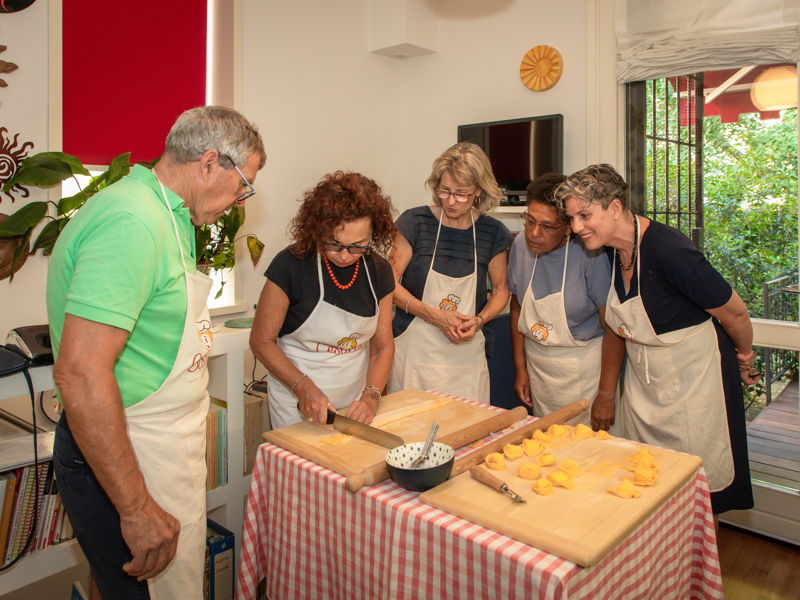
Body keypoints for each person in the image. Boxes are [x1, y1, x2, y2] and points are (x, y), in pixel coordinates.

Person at [47, 106, 266, 599]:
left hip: (161, 447)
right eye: (243, 185)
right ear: (210, 163)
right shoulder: (132, 220)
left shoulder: (168, 213)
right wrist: (136, 508)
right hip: (130, 454)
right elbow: (81, 373)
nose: (240, 200)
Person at [557, 163, 758, 514]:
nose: (576, 227)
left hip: (694, 387)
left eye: (585, 215)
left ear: (615, 207)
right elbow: (619, 329)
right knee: (645, 483)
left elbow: (736, 313)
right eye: (572, 218)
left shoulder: (671, 252)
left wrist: (745, 357)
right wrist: (606, 394)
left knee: (696, 491)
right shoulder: (609, 250)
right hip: (645, 389)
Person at [250, 171, 396, 428]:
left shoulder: (379, 271)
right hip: (296, 399)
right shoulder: (290, 266)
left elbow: (383, 346)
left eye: (358, 246)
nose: (344, 255)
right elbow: (261, 341)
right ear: (317, 230)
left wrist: (371, 396)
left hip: (355, 401)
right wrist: (303, 388)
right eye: (334, 244)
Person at [388, 142, 513, 402]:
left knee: (467, 428)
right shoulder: (415, 222)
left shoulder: (492, 232)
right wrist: (435, 316)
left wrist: (478, 320)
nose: (451, 201)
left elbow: (502, 291)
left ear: (478, 191)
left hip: (465, 357)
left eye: (461, 194)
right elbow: (390, 283)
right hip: (415, 351)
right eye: (444, 190)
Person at [508, 174, 624, 428]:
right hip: (540, 369)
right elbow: (516, 305)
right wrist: (521, 366)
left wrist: (605, 396)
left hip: (584, 375)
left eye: (547, 226)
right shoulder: (519, 246)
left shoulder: (589, 254)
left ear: (569, 226)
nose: (534, 234)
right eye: (529, 221)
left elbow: (613, 329)